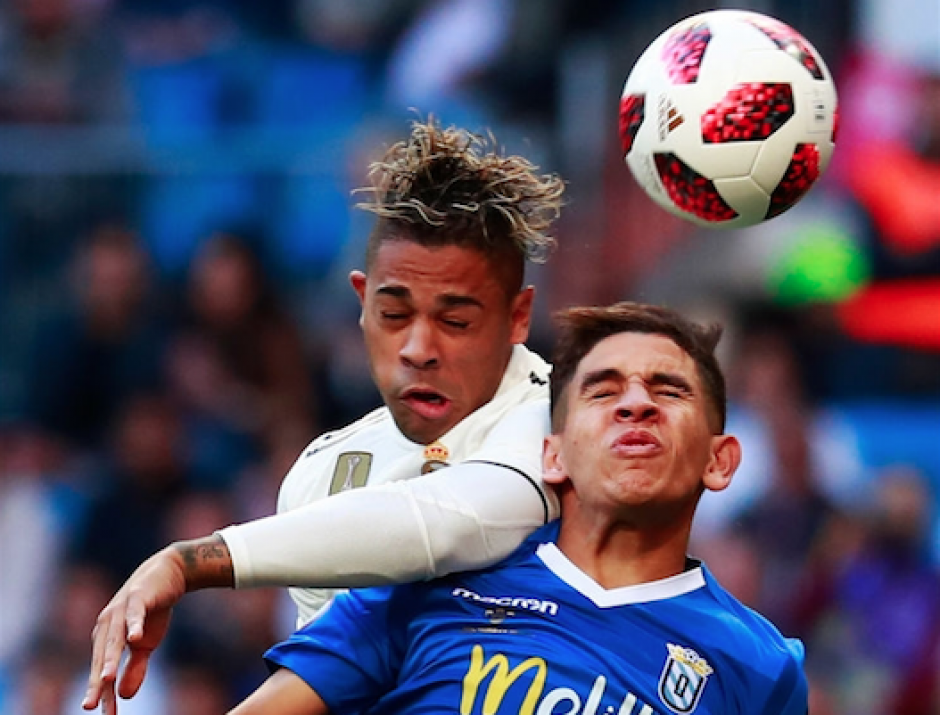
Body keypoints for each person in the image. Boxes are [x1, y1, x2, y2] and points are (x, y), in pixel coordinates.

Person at [84, 117, 565, 714]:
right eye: (394, 316)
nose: (418, 348)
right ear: (361, 302)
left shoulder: (562, 419)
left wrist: (191, 561)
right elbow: (333, 679)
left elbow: (451, 525)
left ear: (519, 318)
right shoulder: (323, 475)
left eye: (456, 321)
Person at [229, 301, 809, 715]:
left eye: (669, 391)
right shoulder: (429, 583)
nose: (636, 404)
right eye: (604, 391)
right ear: (552, 455)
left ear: (720, 461)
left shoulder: (761, 668)